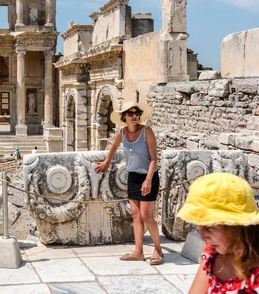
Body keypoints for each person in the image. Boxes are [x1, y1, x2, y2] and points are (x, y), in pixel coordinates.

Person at [94, 102, 163, 265]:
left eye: (137, 113)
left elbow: (154, 158)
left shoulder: (147, 131)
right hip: (133, 177)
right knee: (135, 214)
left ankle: (158, 250)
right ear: (124, 116)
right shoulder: (122, 133)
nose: (134, 116)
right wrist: (106, 162)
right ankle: (138, 251)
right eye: (130, 114)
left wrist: (148, 180)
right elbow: (114, 146)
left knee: (146, 215)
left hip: (149, 177)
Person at [178, 173, 259, 293]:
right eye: (199, 227)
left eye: (209, 227)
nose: (202, 236)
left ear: (236, 227)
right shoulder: (212, 255)